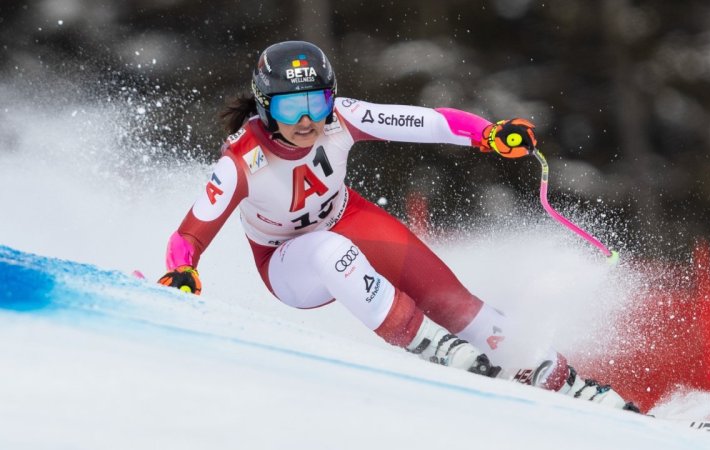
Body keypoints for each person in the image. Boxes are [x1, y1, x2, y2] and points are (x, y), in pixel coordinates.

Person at [158, 40, 639, 412]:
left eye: (318, 102)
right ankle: (431, 348)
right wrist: (182, 271)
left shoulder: (339, 119)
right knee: (327, 250)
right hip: (288, 263)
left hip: (348, 218)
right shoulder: (243, 160)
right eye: (289, 108)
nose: (307, 120)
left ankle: (563, 380)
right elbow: (190, 233)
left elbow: (425, 122)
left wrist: (486, 134)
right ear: (265, 106)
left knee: (453, 300)